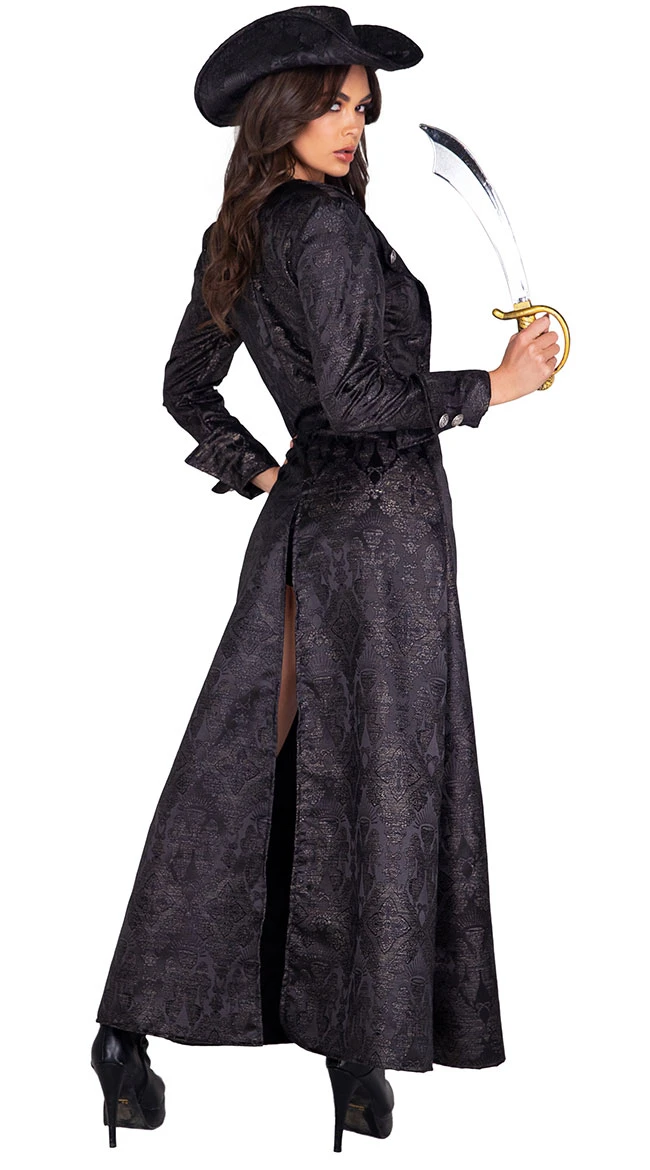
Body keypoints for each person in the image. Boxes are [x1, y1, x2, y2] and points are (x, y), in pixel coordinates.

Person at [90, 4, 560, 1154]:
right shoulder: (328, 233)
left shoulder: (243, 232)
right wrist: (490, 387)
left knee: (249, 777)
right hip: (378, 547)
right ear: (279, 113)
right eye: (329, 105)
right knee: (367, 782)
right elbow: (354, 402)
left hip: (313, 534)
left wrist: (265, 473)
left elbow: (186, 389)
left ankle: (131, 1039)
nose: (351, 125)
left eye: (359, 107)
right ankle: (351, 1055)